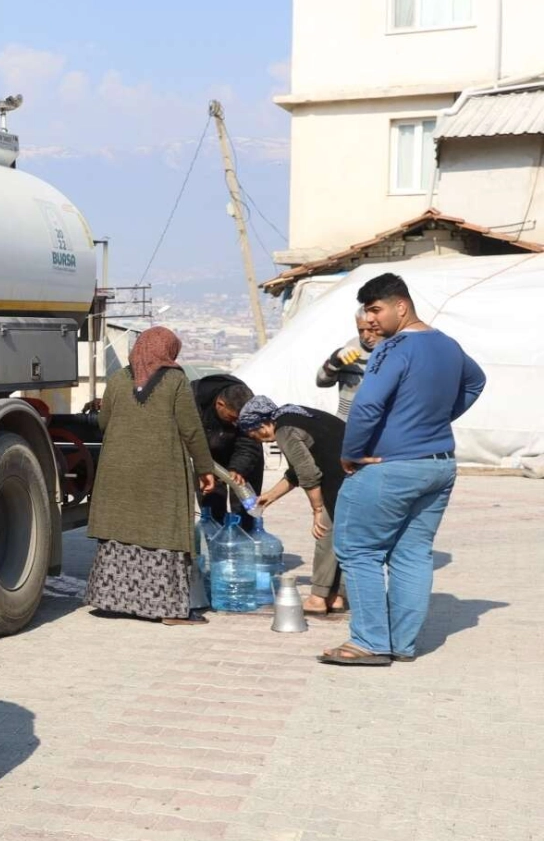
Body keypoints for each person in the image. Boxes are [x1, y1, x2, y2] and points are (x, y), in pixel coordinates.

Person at [320, 273, 486, 666]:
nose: (370, 319)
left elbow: (365, 405)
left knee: (358, 550)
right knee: (412, 554)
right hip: (439, 465)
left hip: (390, 467)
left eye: (376, 309)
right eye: (366, 311)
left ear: (401, 306)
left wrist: (352, 452)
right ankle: (403, 644)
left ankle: (369, 642)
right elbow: (476, 382)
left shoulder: (392, 349)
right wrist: (436, 419)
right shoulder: (448, 345)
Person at [84, 327, 217, 624]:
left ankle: (112, 600)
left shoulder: (117, 379)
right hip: (161, 474)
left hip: (117, 472)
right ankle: (167, 609)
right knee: (163, 531)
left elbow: (104, 422)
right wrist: (206, 469)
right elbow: (191, 429)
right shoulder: (176, 381)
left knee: (119, 530)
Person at [239, 396, 349, 615]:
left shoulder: (284, 430)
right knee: (344, 539)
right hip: (356, 477)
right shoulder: (296, 416)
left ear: (261, 425)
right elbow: (296, 472)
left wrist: (317, 510)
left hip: (341, 483)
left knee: (325, 533)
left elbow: (308, 474)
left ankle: (318, 598)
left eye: (255, 435)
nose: (261, 441)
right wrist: (269, 496)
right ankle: (336, 597)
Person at [191, 374, 263, 528]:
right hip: (207, 458)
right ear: (220, 404)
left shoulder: (247, 404)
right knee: (211, 511)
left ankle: (243, 541)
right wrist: (203, 466)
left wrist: (239, 468)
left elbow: (249, 441)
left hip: (244, 456)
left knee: (245, 512)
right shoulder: (191, 400)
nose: (235, 423)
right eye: (232, 418)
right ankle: (215, 543)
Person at [316, 308, 381, 418]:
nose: (365, 336)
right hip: (345, 422)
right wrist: (335, 359)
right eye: (361, 330)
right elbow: (321, 382)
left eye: (371, 329)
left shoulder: (395, 352)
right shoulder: (351, 348)